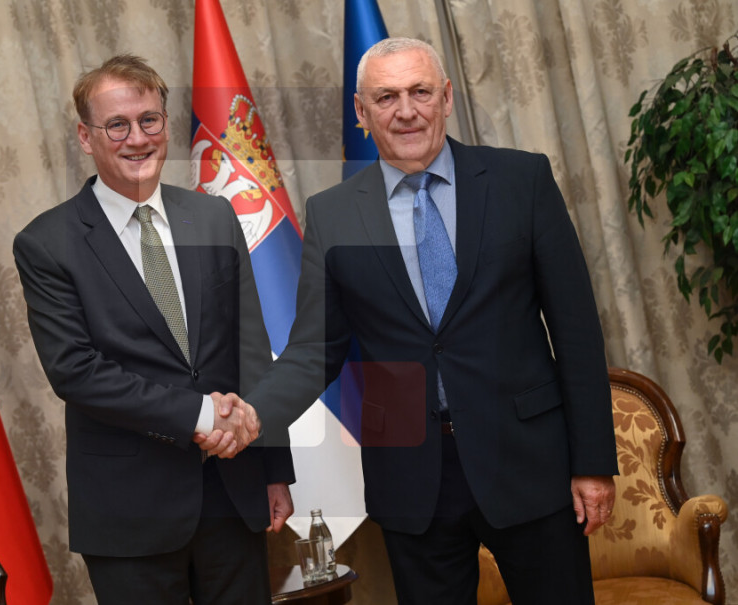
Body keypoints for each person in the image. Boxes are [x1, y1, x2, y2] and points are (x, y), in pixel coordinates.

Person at [200, 37, 618, 604]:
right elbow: (314, 350)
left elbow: (576, 332)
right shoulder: (333, 214)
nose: (406, 111)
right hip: (412, 479)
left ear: (446, 97)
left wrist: (592, 463)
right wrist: (253, 415)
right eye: (386, 97)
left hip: (527, 462)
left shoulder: (522, 181)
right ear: (361, 111)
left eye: (420, 92)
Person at [13, 54, 294, 605]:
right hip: (129, 511)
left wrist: (272, 467)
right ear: (86, 137)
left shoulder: (214, 217)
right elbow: (76, 372)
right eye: (117, 125)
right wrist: (200, 416)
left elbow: (251, 347)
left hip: (232, 493)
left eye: (149, 120)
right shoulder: (47, 243)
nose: (137, 138)